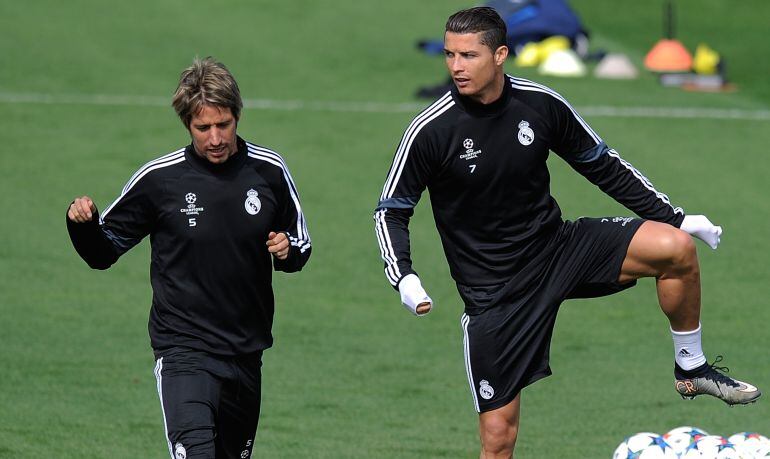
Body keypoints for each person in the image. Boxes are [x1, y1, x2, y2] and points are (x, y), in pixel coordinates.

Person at [373, 7, 759, 458]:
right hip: (495, 292)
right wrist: (404, 275)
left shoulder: (541, 105)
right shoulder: (431, 131)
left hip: (558, 249)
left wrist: (674, 218)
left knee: (674, 248)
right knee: (498, 440)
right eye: (449, 55)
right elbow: (391, 210)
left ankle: (691, 367)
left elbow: (602, 166)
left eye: (468, 55)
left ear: (500, 55)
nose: (456, 66)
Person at [67, 57, 311, 459]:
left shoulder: (269, 170)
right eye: (203, 128)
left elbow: (300, 243)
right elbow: (103, 251)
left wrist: (287, 250)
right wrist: (83, 225)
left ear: (237, 116)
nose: (215, 138)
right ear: (187, 125)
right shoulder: (159, 180)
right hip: (184, 353)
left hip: (246, 355)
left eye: (224, 124)